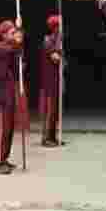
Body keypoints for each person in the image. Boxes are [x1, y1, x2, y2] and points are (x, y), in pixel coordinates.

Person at [0, 19, 23, 174]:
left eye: (14, 32)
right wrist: (18, 38)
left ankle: (4, 158)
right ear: (3, 34)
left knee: (9, 125)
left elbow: (17, 54)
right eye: (11, 33)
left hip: (8, 88)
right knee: (1, 126)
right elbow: (12, 49)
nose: (14, 35)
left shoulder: (11, 47)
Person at [41, 14, 67, 147]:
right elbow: (55, 58)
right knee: (50, 109)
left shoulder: (58, 41)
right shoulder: (48, 40)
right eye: (59, 26)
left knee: (56, 110)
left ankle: (53, 136)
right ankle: (46, 138)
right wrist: (59, 49)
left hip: (57, 78)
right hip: (49, 79)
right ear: (54, 27)